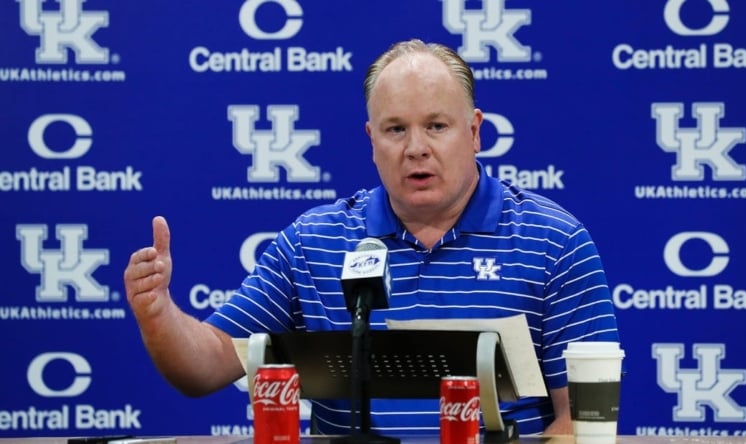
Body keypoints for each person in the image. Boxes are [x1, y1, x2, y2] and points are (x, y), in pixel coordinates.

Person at [124, 38, 620, 437]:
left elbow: (582, 421)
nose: (416, 148)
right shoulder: (312, 242)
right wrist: (158, 313)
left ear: (474, 132)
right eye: (396, 129)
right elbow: (205, 367)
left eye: (437, 126)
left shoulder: (554, 241)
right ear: (371, 141)